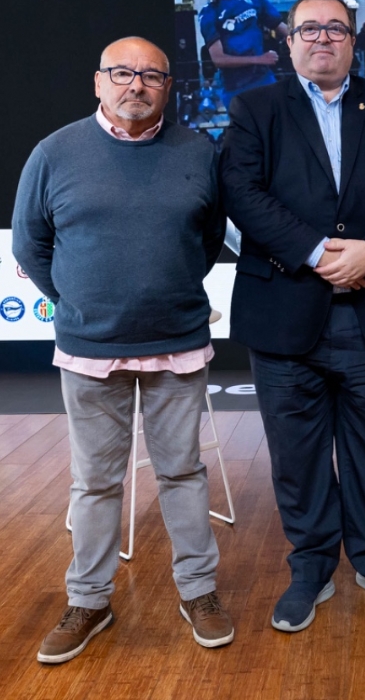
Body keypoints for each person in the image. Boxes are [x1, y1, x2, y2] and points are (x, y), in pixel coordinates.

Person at [12, 37, 231, 664]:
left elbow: (209, 237)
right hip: (89, 350)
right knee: (96, 482)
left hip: (177, 344)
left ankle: (200, 592)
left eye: (151, 76)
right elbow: (30, 245)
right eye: (122, 73)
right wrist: (81, 301)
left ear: (168, 86)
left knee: (183, 474)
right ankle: (89, 600)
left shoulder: (198, 151)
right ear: (98, 81)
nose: (136, 84)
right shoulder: (53, 153)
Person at [218, 0, 365, 634]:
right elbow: (242, 193)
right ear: (288, 41)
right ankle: (310, 567)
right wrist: (315, 252)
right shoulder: (255, 108)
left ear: (352, 39)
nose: (322, 39)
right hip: (286, 316)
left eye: (335, 29)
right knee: (297, 455)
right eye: (309, 29)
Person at [194, 0, 289, 109]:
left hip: (264, 80)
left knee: (280, 127)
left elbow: (282, 28)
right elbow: (219, 59)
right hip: (236, 90)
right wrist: (259, 59)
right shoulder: (209, 14)